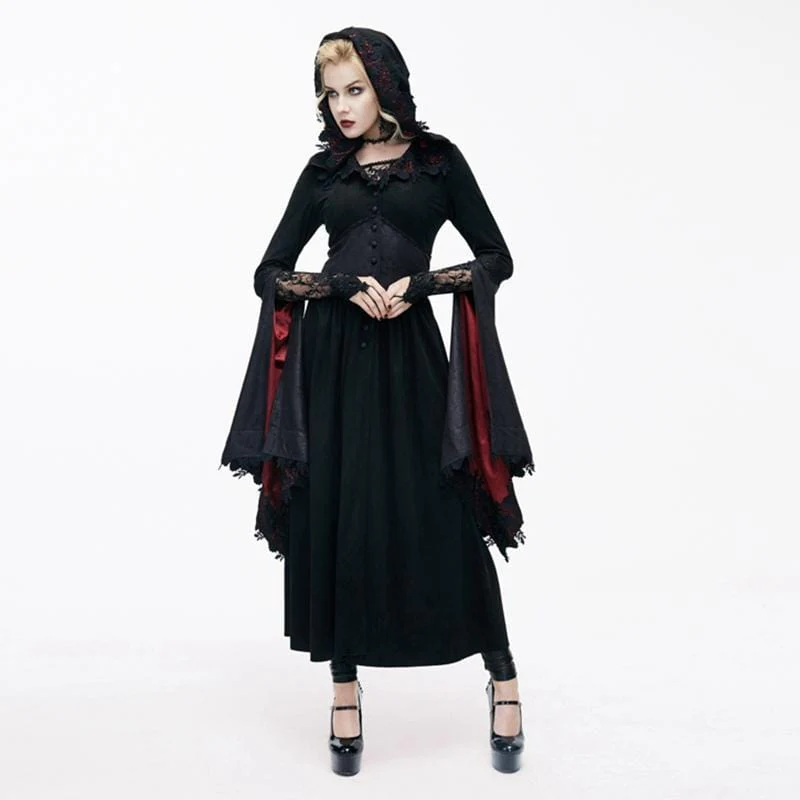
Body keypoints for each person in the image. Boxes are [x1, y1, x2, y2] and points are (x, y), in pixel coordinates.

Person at [220, 26, 535, 775]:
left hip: (411, 360)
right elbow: (270, 272)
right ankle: (344, 688)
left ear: (386, 84)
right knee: (339, 510)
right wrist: (336, 287)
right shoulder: (324, 172)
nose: (342, 105)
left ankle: (503, 676)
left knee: (447, 510)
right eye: (331, 93)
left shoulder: (438, 162)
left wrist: (420, 285)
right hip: (332, 365)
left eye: (354, 88)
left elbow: (497, 257)